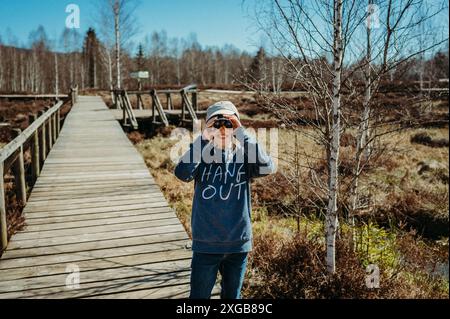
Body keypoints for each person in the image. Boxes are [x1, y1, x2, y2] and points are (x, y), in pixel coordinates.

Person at [174, 100, 276, 299]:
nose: (222, 129)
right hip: (206, 243)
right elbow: (182, 172)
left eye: (228, 123)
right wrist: (203, 138)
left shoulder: (245, 156)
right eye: (216, 124)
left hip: (238, 243)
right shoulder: (201, 156)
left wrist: (241, 133)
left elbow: (267, 167)